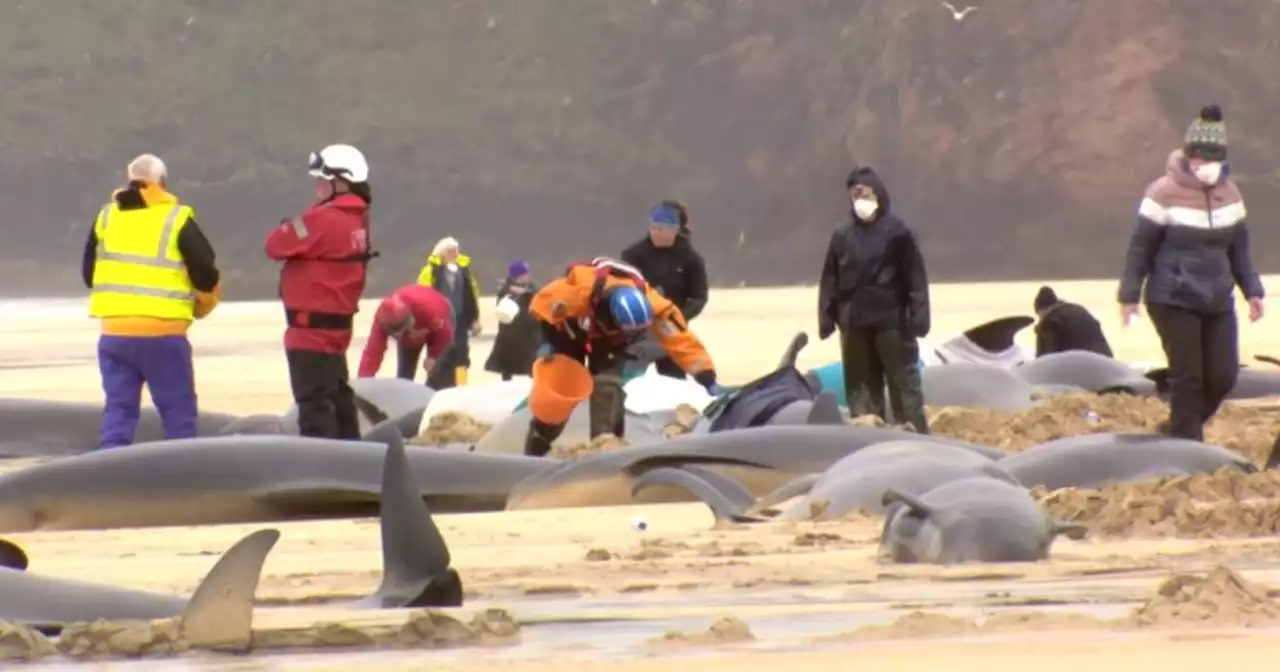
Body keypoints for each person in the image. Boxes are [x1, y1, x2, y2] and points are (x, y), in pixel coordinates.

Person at [1119, 105, 1264, 441]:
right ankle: (1187, 440)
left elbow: (1239, 249)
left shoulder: (1230, 193)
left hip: (1217, 298)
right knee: (1189, 376)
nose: (1203, 165)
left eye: (1210, 159)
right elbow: (1140, 247)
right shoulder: (1162, 192)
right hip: (1173, 296)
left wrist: (1252, 291)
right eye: (1197, 158)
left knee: (1223, 376)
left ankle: (1179, 429)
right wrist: (1129, 295)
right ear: (1187, 155)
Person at [83, 154, 222, 448]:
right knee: (177, 412)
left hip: (114, 335)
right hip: (163, 335)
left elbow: (88, 274)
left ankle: (110, 472)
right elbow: (207, 274)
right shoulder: (177, 218)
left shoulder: (107, 217)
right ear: (163, 182)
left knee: (119, 411)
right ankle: (182, 476)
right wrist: (202, 300)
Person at [524, 257, 720, 456]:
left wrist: (706, 375)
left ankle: (607, 446)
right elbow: (540, 305)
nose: (629, 335)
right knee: (563, 386)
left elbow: (680, 339)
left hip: (608, 340)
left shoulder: (657, 306)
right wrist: (549, 341)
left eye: (634, 332)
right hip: (571, 330)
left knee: (607, 383)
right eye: (626, 330)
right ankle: (538, 443)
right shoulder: (575, 293)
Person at [265, 144, 375, 440]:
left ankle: (323, 471)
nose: (317, 186)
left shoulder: (321, 219)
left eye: (322, 180)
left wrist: (295, 223)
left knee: (313, 406)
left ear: (340, 181)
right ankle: (354, 459)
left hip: (309, 331)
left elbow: (274, 245)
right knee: (338, 398)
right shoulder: (358, 218)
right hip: (336, 328)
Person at [817, 165, 931, 433]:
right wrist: (826, 316)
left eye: (865, 195)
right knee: (860, 386)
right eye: (855, 196)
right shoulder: (842, 234)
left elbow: (915, 277)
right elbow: (830, 278)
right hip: (854, 323)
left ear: (878, 194)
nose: (860, 202)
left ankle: (914, 431)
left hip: (891, 321)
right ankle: (868, 434)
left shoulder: (898, 232)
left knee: (903, 383)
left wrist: (919, 316)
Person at [621, 200, 709, 380]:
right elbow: (621, 290)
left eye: (660, 229)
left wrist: (677, 319)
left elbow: (699, 297)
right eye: (653, 228)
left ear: (675, 230)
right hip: (639, 329)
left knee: (674, 383)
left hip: (672, 330)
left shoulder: (691, 260)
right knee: (628, 381)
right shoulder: (633, 255)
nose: (655, 233)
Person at [415, 236, 481, 388]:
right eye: (451, 251)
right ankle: (436, 387)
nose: (455, 254)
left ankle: (461, 386)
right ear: (442, 253)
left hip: (461, 321)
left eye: (456, 250)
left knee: (462, 356)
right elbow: (421, 295)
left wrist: (475, 319)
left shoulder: (464, 271)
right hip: (438, 322)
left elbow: (471, 295)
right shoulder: (430, 271)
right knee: (438, 354)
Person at [357, 284, 455, 382]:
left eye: (403, 330)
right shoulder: (382, 319)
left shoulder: (431, 310)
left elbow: (445, 334)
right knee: (404, 376)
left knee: (440, 374)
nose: (398, 335)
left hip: (438, 321)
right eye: (395, 333)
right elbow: (372, 353)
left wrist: (434, 356)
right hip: (417, 329)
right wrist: (363, 382)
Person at [484, 259, 542, 381]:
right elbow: (502, 307)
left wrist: (526, 292)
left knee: (531, 360)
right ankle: (507, 379)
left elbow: (539, 296)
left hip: (530, 332)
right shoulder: (506, 289)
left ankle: (532, 380)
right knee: (508, 360)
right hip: (511, 333)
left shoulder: (531, 287)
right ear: (518, 275)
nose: (528, 275)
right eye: (526, 273)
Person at [1032, 285, 1114, 358]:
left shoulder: (1051, 321)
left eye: (1039, 315)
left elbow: (1046, 359)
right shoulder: (1079, 310)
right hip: (1106, 361)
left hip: (1082, 367)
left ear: (1043, 310)